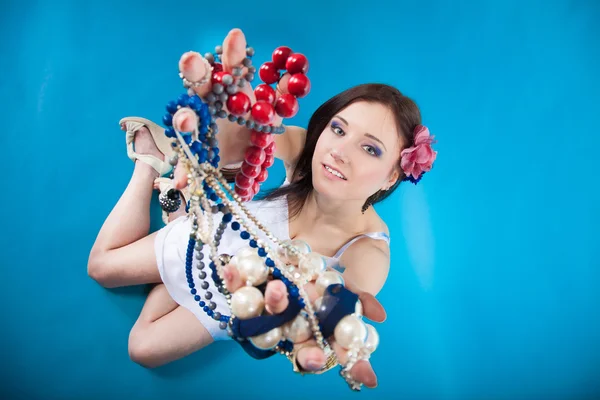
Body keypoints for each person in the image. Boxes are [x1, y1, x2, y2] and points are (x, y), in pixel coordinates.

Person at [87, 29, 436, 389]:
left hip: (234, 300)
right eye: (338, 129)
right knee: (101, 267)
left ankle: (179, 225)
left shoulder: (369, 249)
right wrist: (236, 119)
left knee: (140, 348)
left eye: (371, 149)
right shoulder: (307, 155)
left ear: (393, 174)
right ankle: (149, 162)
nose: (339, 151)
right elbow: (257, 138)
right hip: (207, 239)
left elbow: (336, 307)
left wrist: (319, 325)